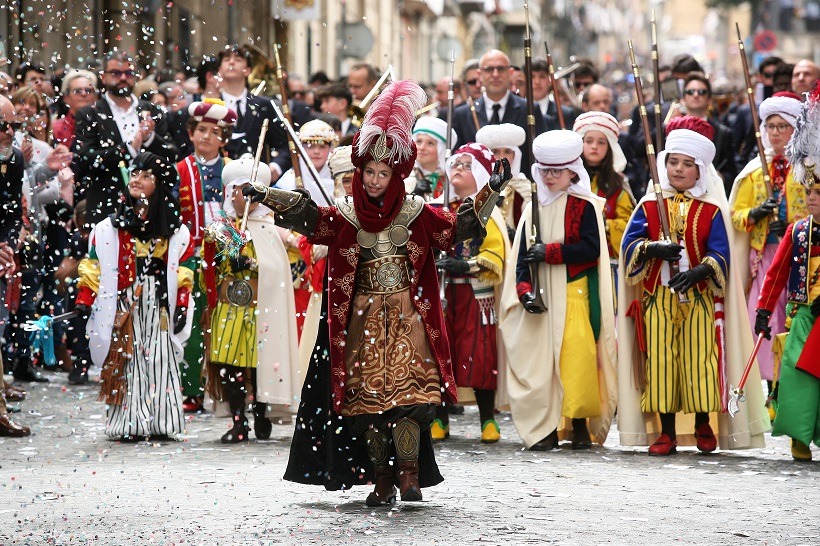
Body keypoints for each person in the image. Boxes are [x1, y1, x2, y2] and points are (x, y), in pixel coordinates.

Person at [245, 80, 509, 505]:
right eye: (368, 172)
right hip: (361, 317)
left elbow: (457, 228)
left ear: (395, 174)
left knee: (410, 397)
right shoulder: (346, 214)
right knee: (364, 402)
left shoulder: (417, 211)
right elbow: (312, 219)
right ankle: (381, 477)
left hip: (407, 313)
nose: (373, 180)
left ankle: (408, 475)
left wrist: (492, 190)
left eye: (382, 173)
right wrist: (267, 195)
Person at [618, 117, 769, 455]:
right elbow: (629, 246)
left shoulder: (712, 209)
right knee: (660, 360)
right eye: (673, 162)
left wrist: (701, 270)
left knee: (701, 358)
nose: (679, 169)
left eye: (687, 164)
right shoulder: (649, 206)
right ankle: (666, 431)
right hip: (658, 296)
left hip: (699, 297)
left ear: (700, 170)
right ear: (663, 165)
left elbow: (721, 252)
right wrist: (652, 248)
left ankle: (704, 422)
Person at [499, 130, 617, 451]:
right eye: (546, 171)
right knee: (540, 366)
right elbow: (522, 258)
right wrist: (524, 292)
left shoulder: (585, 206)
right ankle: (543, 428)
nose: (550, 177)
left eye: (557, 171)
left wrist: (551, 252)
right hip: (542, 298)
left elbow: (591, 249)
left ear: (572, 172)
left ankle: (579, 425)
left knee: (576, 361)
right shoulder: (531, 209)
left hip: (574, 294)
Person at [75, 152, 193, 440]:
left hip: (159, 303)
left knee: (161, 357)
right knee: (127, 358)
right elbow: (94, 265)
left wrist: (180, 304)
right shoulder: (109, 228)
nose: (137, 179)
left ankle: (163, 421)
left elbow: (184, 270)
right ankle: (129, 423)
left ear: (160, 184)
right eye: (135, 173)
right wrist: (84, 299)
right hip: (124, 300)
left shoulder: (176, 231)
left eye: (146, 175)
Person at [202, 154, 300, 442]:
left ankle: (260, 410)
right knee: (229, 364)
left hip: (260, 311)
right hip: (230, 307)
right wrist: (230, 252)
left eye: (248, 189)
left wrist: (255, 264)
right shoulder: (221, 227)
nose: (242, 196)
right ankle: (237, 419)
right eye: (236, 189)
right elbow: (211, 265)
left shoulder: (270, 230)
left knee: (259, 364)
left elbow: (275, 269)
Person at [754, 83, 820, 460]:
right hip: (802, 314)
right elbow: (776, 274)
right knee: (795, 373)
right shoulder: (797, 231)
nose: (810, 198)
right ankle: (797, 435)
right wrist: (764, 310)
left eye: (818, 193)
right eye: (808, 192)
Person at [729, 92, 806, 403]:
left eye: (781, 126)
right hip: (763, 259)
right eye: (770, 126)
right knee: (763, 320)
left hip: (799, 258)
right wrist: (756, 214)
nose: (774, 132)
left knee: (792, 319)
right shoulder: (753, 172)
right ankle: (772, 385)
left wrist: (789, 221)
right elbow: (735, 216)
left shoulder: (808, 168)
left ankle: (791, 381)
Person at [432, 142, 510, 443]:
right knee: (440, 355)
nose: (458, 170)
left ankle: (488, 419)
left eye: (466, 165)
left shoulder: (489, 213)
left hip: (477, 295)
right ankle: (439, 418)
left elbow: (495, 254)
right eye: (455, 164)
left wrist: (464, 264)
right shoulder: (437, 207)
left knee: (480, 357)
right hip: (442, 293)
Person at [176, 99, 237, 412]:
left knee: (230, 322)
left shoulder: (235, 170)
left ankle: (229, 392)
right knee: (192, 324)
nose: (206, 137)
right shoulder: (179, 171)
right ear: (191, 133)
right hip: (191, 258)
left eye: (215, 132)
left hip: (228, 258)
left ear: (223, 138)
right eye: (201, 130)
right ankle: (192, 389)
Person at [72, 51, 178, 226]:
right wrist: (127, 149)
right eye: (115, 73)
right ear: (103, 77)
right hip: (107, 206)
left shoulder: (152, 110)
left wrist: (150, 138)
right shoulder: (89, 113)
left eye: (128, 73)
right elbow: (85, 158)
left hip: (151, 209)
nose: (123, 78)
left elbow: (172, 154)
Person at [274, 119, 337, 339]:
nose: (317, 151)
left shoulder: (341, 178)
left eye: (323, 145)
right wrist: (294, 240)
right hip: (296, 257)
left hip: (332, 255)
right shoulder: (289, 179)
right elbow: (274, 218)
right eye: (310, 145)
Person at [451, 49, 547, 175]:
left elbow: (540, 155)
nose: (495, 74)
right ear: (479, 74)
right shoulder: (462, 114)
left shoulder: (530, 109)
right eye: (489, 69)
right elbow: (457, 159)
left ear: (511, 73)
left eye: (501, 69)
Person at [573, 111, 635, 260]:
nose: (594, 146)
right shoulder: (568, 180)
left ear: (610, 147)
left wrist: (604, 225)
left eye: (601, 142)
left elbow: (628, 223)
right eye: (589, 141)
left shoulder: (617, 183)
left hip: (607, 259)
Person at [475, 123, 531, 232]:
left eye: (507, 152)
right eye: (495, 152)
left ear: (515, 155)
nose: (501, 158)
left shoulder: (525, 188)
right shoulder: (476, 185)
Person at [405, 116, 456, 198]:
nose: (421, 147)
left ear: (441, 150)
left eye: (430, 143)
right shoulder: (404, 176)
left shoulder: (451, 179)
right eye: (419, 141)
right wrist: (414, 196)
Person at [52, 69, 98, 148]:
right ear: (66, 98)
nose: (83, 94)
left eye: (88, 90)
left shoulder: (104, 126)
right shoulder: (55, 128)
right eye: (77, 91)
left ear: (95, 97)